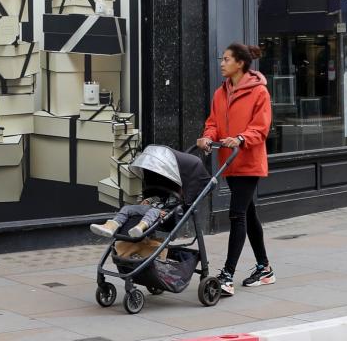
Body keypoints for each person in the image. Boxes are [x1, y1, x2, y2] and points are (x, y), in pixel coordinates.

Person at [196, 43, 274, 296]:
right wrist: (207, 137)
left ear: (240, 63)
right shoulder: (221, 93)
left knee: (237, 214)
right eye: (222, 59)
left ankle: (227, 275)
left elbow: (261, 127)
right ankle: (265, 268)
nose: (222, 63)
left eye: (227, 59)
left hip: (249, 162)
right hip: (229, 162)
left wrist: (241, 138)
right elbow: (214, 123)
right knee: (248, 215)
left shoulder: (259, 92)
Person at [89, 189, 180, 239]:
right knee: (127, 209)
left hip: (164, 213)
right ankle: (110, 227)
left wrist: (167, 212)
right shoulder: (165, 192)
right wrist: (148, 200)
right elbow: (158, 197)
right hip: (152, 207)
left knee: (153, 211)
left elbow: (178, 208)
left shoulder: (179, 197)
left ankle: (139, 228)